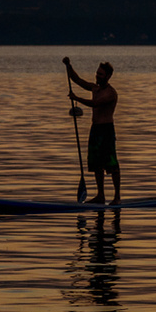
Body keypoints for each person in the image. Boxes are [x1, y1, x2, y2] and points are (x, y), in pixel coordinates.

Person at [65, 56, 120, 203]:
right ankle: (101, 196)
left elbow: (95, 104)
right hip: (95, 130)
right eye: (97, 73)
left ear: (108, 76)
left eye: (100, 74)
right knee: (97, 164)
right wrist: (69, 66)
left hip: (106, 131)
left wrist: (76, 98)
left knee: (112, 164)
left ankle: (117, 197)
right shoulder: (95, 88)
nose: (97, 76)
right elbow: (77, 80)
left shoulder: (110, 93)